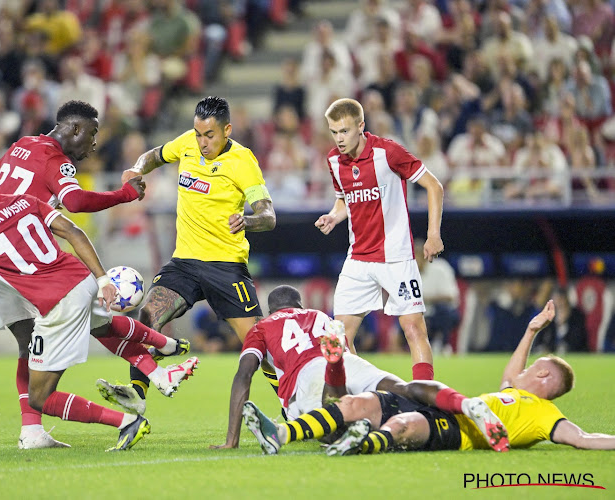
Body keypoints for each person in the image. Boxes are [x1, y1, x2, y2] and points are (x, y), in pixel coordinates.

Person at [0, 161, 198, 451]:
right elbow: (74, 232)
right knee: (103, 326)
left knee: (39, 397)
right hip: (81, 278)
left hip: (58, 301)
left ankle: (127, 422)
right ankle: (167, 346)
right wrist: (102, 278)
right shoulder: (24, 201)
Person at [0, 99, 195, 449]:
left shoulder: (21, 145)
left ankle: (32, 430)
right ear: (74, 128)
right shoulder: (56, 161)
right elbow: (75, 203)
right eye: (92, 134)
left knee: (28, 343)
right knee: (91, 310)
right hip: (30, 260)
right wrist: (124, 194)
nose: (94, 144)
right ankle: (161, 359)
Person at [244, 300, 615, 455]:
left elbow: (582, 438)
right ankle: (281, 434)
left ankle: (360, 443)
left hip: (457, 434)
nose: (525, 368)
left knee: (405, 422)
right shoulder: (512, 390)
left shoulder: (546, 416)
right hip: (452, 410)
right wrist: (532, 330)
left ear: (545, 376)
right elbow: (511, 371)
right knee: (355, 403)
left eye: (535, 366)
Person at [118, 96, 276, 410]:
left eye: (210, 135)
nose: (202, 142)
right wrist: (136, 169)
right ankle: (136, 403)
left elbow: (268, 215)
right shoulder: (187, 143)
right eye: (198, 134)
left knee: (260, 346)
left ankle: (295, 404)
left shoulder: (243, 162)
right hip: (185, 262)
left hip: (225, 265)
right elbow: (154, 155)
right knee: (146, 320)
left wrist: (248, 219)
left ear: (227, 130)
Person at [212, 285, 506, 451]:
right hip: (351, 360)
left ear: (272, 310)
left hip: (307, 375)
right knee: (403, 389)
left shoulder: (262, 327)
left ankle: (353, 430)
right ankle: (466, 404)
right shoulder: (317, 315)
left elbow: (243, 375)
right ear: (299, 304)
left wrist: (232, 439)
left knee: (327, 427)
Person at [314, 98, 444, 381]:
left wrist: (433, 234)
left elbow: (434, 186)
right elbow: (344, 200)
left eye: (345, 131)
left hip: (396, 257)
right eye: (334, 132)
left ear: (361, 126)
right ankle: (371, 394)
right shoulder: (334, 161)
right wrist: (334, 217)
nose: (339, 139)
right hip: (358, 259)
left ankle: (424, 402)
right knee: (339, 339)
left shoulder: (388, 152)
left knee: (413, 329)